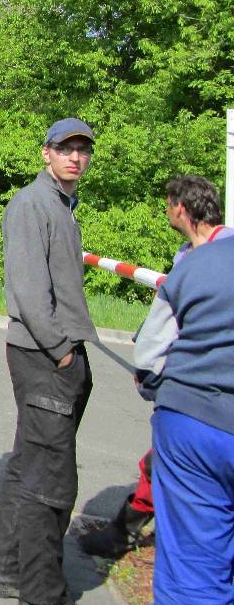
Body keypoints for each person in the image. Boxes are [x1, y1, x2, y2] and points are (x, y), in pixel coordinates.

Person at [80, 174, 232, 558]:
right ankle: (127, 530)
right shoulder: (191, 253)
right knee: (159, 463)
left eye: (167, 204)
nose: (166, 211)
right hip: (193, 393)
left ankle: (134, 536)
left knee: (179, 475)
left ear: (180, 207)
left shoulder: (211, 257)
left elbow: (163, 334)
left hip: (204, 397)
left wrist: (151, 369)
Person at [0, 118, 99, 604]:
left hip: (52, 354)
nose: (75, 157)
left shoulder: (61, 206)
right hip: (45, 356)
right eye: (65, 148)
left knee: (29, 464)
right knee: (51, 480)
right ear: (46, 153)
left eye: (83, 149)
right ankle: (41, 591)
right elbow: (30, 292)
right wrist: (63, 352)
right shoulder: (32, 204)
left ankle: (4, 570)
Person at [143, 234, 234, 601]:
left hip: (195, 422)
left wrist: (152, 385)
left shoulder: (197, 263)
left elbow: (149, 354)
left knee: (192, 574)